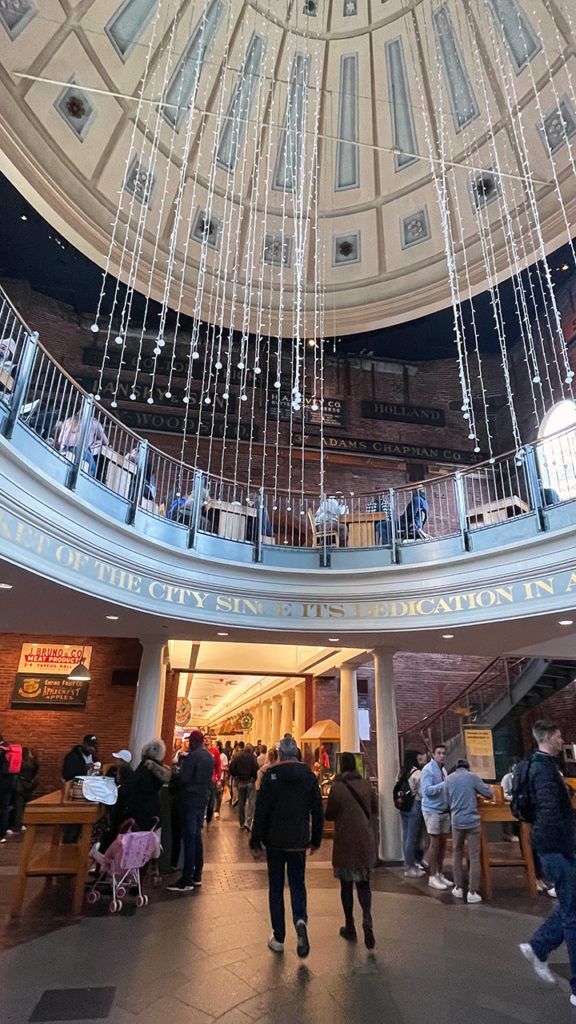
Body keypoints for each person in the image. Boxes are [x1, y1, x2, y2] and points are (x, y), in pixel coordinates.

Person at [250, 735, 323, 958]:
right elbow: (317, 811)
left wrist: (255, 840)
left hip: (275, 841)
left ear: (280, 753)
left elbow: (261, 811)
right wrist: (315, 839)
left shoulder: (271, 775)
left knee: (276, 887)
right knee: (298, 883)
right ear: (297, 753)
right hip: (298, 840)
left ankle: (279, 937)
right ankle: (300, 920)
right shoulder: (309, 776)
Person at [519, 720, 576, 1004]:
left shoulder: (536, 765)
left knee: (572, 904)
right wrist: (566, 846)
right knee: (573, 915)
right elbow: (551, 813)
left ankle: (539, 946)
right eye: (558, 735)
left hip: (551, 846)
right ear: (548, 738)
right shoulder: (543, 770)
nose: (561, 739)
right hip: (557, 847)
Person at [325, 751, 378, 948]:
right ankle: (367, 917)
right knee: (364, 885)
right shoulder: (366, 785)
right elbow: (374, 808)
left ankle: (350, 925)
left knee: (346, 886)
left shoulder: (337, 787)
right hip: (364, 840)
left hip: (345, 841)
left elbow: (329, 814)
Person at [168, 729, 213, 893]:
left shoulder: (193, 757)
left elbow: (185, 779)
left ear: (193, 742)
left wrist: (176, 774)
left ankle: (186, 878)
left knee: (189, 838)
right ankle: (197, 874)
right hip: (202, 800)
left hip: (189, 799)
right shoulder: (209, 757)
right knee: (196, 837)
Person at [443, 758, 493, 904]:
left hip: (457, 821)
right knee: (474, 856)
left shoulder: (449, 779)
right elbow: (488, 793)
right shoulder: (472, 777)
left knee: (457, 853)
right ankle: (472, 891)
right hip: (472, 821)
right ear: (467, 767)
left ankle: (458, 887)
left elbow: (446, 801)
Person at [420, 743, 452, 890]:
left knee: (443, 842)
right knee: (434, 843)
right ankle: (432, 876)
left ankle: (439, 872)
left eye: (444, 753)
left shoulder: (443, 770)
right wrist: (443, 785)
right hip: (432, 810)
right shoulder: (428, 770)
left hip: (444, 810)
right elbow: (426, 791)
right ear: (433, 755)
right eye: (439, 753)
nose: (442, 755)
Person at [397, 750, 427, 877]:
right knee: (412, 837)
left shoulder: (401, 772)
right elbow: (422, 792)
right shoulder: (418, 773)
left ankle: (407, 864)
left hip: (403, 806)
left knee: (406, 836)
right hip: (415, 805)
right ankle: (411, 866)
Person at [55, 412, 108, 478]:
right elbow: (106, 441)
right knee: (92, 468)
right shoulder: (94, 422)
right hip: (81, 450)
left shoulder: (68, 420)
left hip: (64, 448)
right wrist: (98, 441)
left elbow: (59, 440)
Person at [229, 741, 258, 831]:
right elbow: (255, 768)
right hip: (250, 781)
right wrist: (254, 777)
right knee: (251, 802)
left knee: (241, 802)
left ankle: (241, 822)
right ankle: (248, 822)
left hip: (240, 782)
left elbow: (231, 767)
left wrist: (235, 775)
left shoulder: (237, 756)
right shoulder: (253, 757)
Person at [9, 747, 39, 833]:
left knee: (18, 807)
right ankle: (24, 824)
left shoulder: (20, 763)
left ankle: (17, 826)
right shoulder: (34, 763)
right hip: (29, 786)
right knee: (24, 807)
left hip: (20, 786)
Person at [205, 736, 222, 824]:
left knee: (211, 802)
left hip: (212, 779)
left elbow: (218, 764)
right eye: (205, 738)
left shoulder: (215, 751)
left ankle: (209, 820)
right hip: (202, 780)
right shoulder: (201, 750)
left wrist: (219, 777)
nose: (206, 739)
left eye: (208, 738)